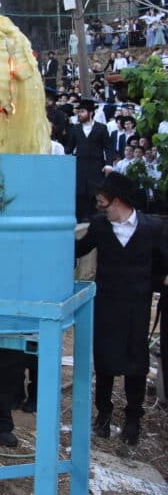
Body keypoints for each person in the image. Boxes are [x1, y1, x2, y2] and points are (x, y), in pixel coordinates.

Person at [75, 173, 168, 445]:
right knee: (104, 362)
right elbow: (78, 249)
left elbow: (162, 265)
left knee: (136, 365)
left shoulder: (152, 228)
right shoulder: (100, 226)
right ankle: (103, 416)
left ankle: (132, 421)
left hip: (136, 308)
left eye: (102, 201)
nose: (98, 205)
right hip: (106, 304)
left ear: (117, 202)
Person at [64, 99, 115, 221]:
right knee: (79, 194)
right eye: (78, 112)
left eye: (82, 111)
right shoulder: (75, 129)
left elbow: (108, 148)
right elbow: (69, 149)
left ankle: (96, 221)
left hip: (96, 166)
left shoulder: (101, 128)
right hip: (79, 166)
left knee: (95, 193)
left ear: (91, 113)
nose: (79, 114)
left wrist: (108, 165)